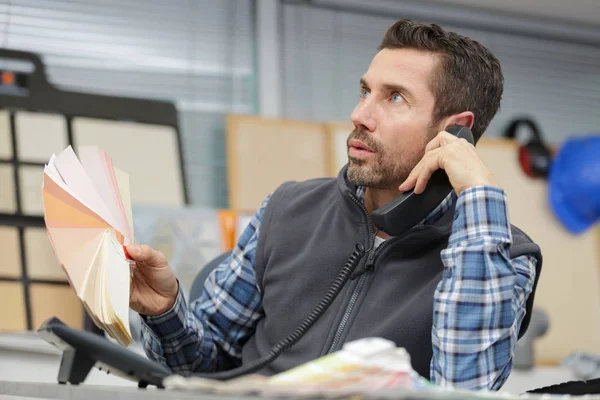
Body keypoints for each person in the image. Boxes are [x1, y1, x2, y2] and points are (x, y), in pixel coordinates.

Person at [127, 19, 542, 391]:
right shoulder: (286, 209)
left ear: (455, 132)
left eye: (394, 98)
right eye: (365, 91)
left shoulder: (505, 257)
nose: (359, 114)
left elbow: (462, 388)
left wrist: (478, 197)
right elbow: (198, 367)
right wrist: (164, 311)